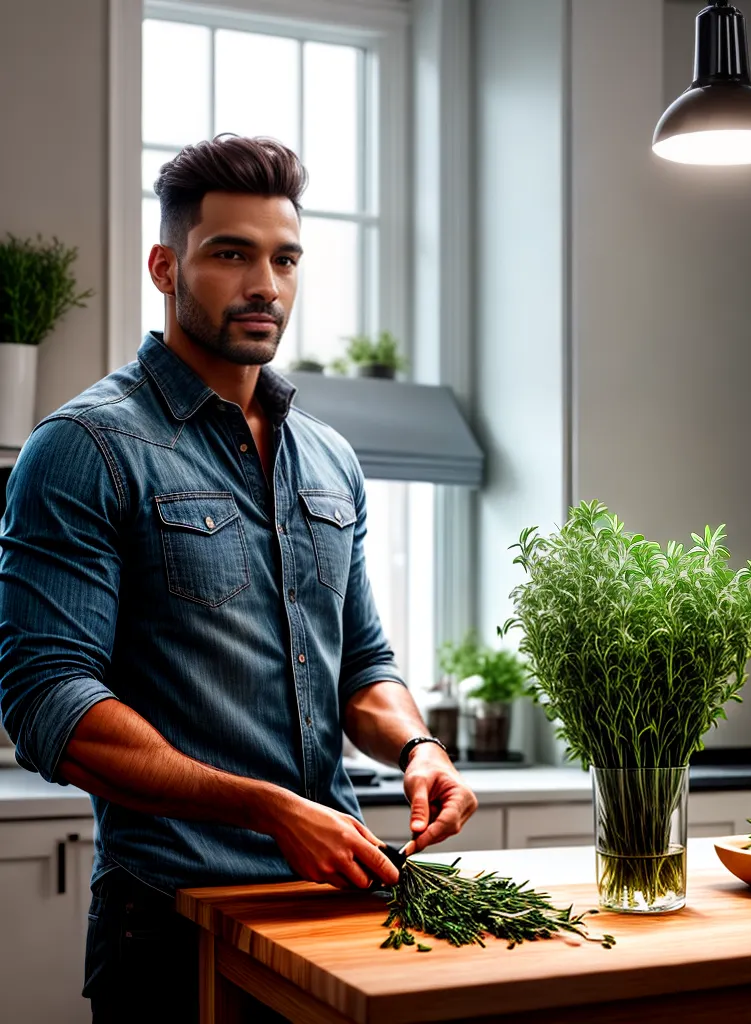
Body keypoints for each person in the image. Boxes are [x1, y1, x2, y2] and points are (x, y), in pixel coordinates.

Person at [0, 134, 477, 1023]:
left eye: (284, 258)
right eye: (231, 254)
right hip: (175, 923)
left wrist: (419, 748)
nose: (265, 285)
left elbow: (362, 667)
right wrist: (269, 808)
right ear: (165, 265)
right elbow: (46, 700)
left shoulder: (331, 459)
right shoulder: (86, 447)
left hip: (336, 910)